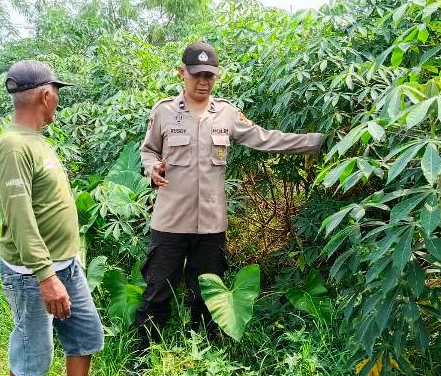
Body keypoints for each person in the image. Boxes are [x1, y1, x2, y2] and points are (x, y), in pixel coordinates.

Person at [134, 41, 325, 349]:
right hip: (170, 223)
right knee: (157, 292)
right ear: (181, 73)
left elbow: (265, 139)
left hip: (211, 226)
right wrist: (151, 168)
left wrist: (318, 141)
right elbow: (148, 150)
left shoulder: (226, 113)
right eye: (196, 75)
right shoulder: (165, 111)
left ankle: (205, 352)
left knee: (207, 297)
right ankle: (142, 355)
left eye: (209, 75)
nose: (203, 82)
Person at [0, 60, 104, 376]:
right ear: (45, 96)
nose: (57, 99)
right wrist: (46, 276)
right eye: (56, 92)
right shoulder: (13, 147)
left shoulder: (36, 140)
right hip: (32, 274)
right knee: (33, 359)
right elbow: (20, 218)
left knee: (85, 338)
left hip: (65, 265)